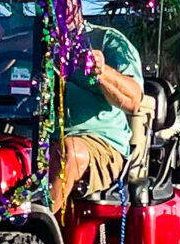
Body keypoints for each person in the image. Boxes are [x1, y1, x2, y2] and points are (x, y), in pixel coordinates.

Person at [50, 23, 147, 223]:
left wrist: (102, 72)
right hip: (32, 133)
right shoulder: (31, 37)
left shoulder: (107, 40)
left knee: (68, 152)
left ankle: (35, 232)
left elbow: (133, 100)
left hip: (98, 142)